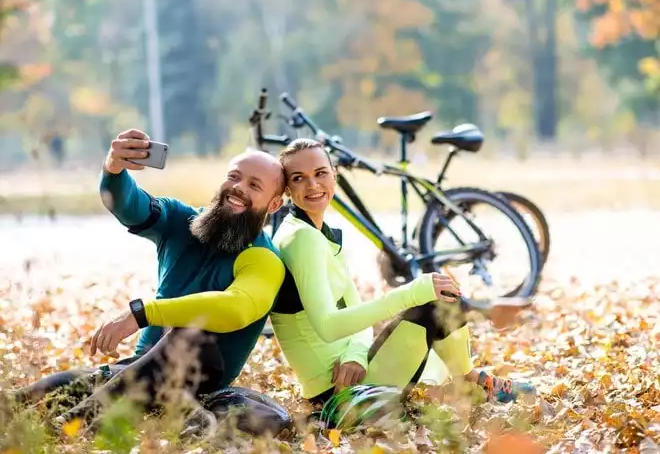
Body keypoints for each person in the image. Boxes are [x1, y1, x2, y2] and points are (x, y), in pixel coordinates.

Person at [12, 129, 287, 429]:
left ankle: (74, 421)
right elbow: (131, 206)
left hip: (199, 383)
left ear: (273, 205)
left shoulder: (264, 259)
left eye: (254, 185)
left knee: (190, 336)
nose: (238, 188)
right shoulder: (181, 222)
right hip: (135, 371)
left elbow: (236, 308)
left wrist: (144, 313)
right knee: (39, 393)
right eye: (234, 176)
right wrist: (113, 169)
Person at [268, 138, 536, 407]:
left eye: (320, 173)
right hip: (336, 393)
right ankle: (472, 381)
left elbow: (355, 310)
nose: (313, 185)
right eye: (299, 178)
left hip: (353, 371)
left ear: (334, 175)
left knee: (440, 305)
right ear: (288, 189)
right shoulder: (302, 239)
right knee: (435, 302)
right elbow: (328, 327)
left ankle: (471, 380)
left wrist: (358, 353)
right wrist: (412, 292)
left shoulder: (314, 233)